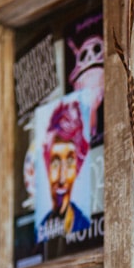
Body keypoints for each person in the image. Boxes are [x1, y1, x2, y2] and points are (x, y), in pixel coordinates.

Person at [38, 100, 91, 241]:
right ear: (47, 166)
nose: (62, 178)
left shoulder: (84, 224)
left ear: (78, 167)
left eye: (69, 162)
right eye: (55, 162)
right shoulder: (40, 232)